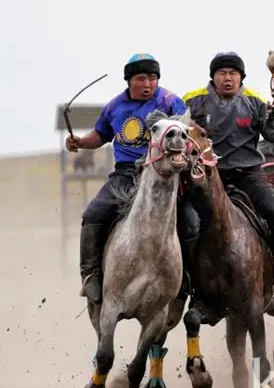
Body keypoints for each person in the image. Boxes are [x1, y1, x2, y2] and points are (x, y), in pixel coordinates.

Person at [65, 54, 200, 305]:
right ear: (129, 81)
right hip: (126, 173)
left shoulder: (170, 101)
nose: (148, 83)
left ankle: (189, 279)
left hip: (165, 174)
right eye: (141, 78)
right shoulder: (115, 106)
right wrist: (82, 142)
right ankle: (91, 275)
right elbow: (101, 134)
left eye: (152, 78)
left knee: (191, 221)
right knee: (94, 214)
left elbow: (186, 129)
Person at [182, 51, 274, 270]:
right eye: (222, 73)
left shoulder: (255, 101)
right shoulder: (192, 100)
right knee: (187, 220)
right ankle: (186, 279)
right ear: (213, 76)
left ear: (241, 77)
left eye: (233, 73)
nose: (227, 78)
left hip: (248, 173)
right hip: (206, 175)